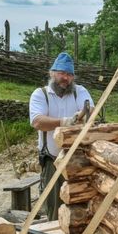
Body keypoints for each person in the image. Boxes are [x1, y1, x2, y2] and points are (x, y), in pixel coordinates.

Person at [29, 52, 94, 220]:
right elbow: (37, 121)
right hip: (53, 160)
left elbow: (90, 112)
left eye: (70, 74)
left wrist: (85, 115)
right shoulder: (40, 94)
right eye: (62, 73)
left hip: (79, 159)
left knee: (82, 203)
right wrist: (65, 122)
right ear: (52, 73)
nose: (66, 78)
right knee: (55, 209)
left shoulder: (79, 91)